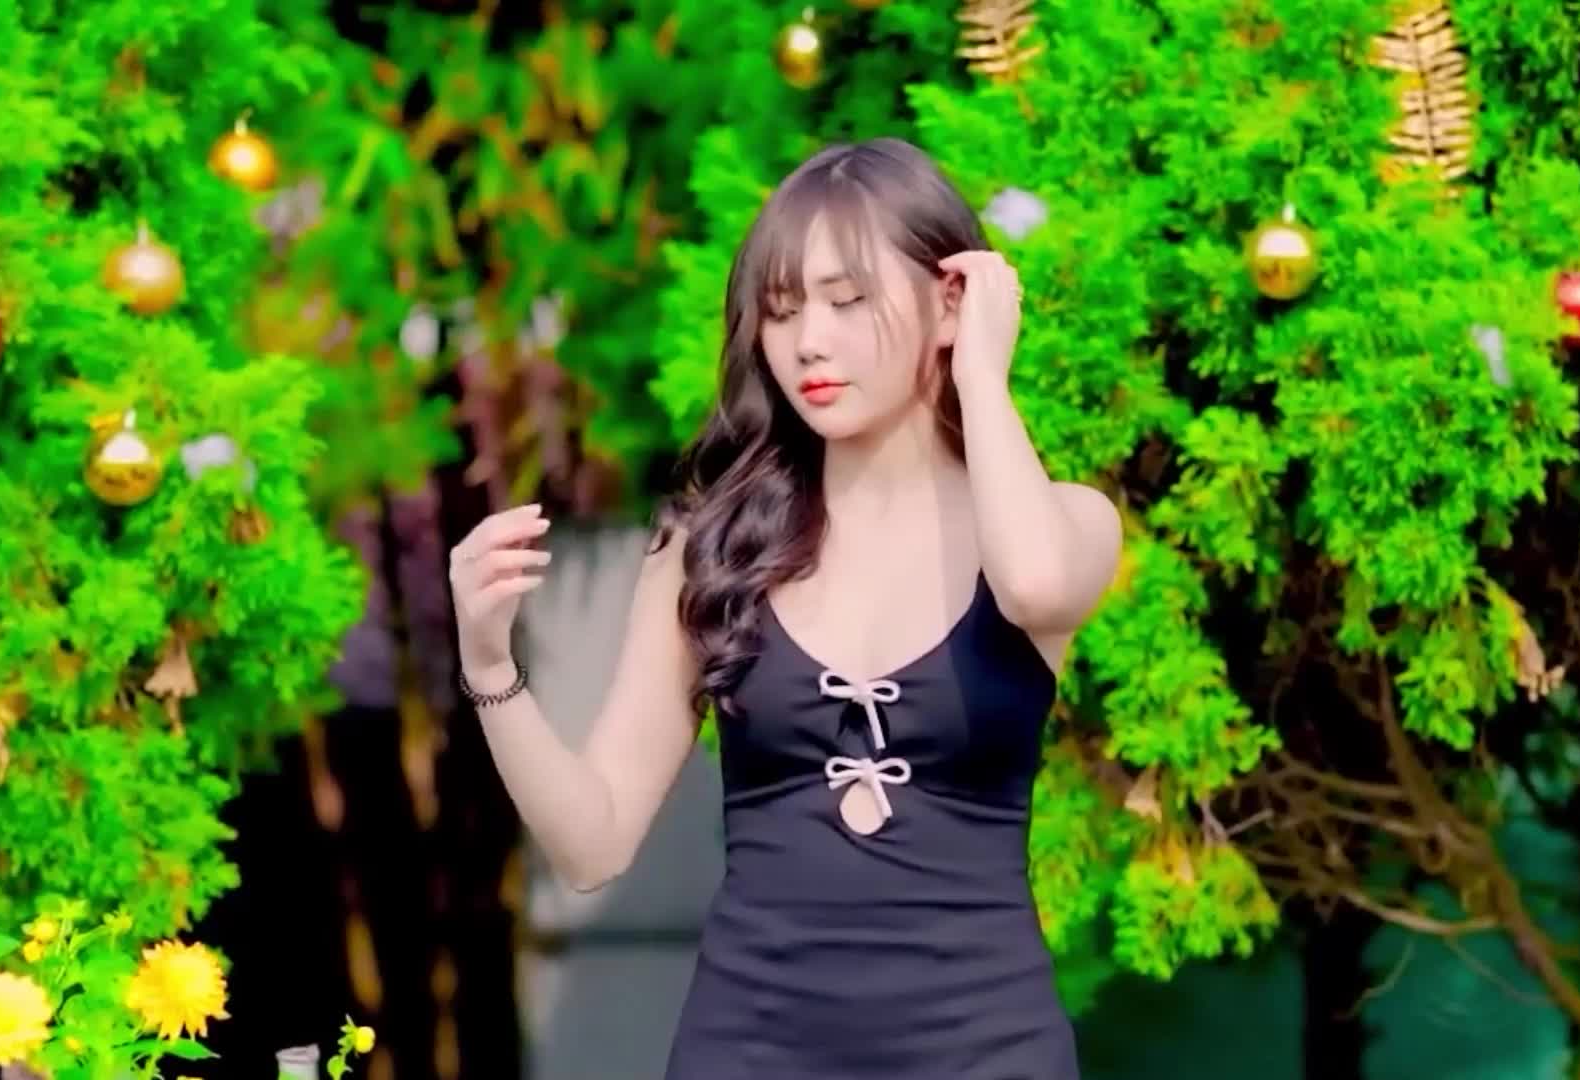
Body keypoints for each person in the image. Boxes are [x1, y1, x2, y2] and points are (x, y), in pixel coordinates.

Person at [447, 137, 1121, 1078]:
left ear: (950, 302)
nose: (808, 342)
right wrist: (490, 666)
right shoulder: (714, 549)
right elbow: (592, 845)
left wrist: (980, 377)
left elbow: (1036, 586)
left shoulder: (1064, 523)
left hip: (987, 1052)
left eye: (848, 301)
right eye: (780, 310)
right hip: (749, 1050)